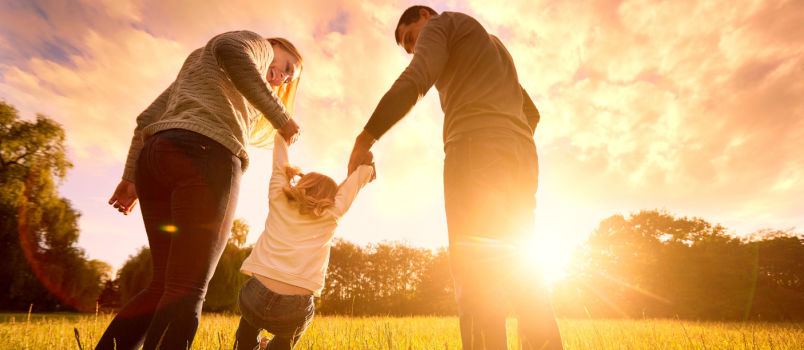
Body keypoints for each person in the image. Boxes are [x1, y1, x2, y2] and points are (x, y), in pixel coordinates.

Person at [347, 6, 563, 350]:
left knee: (475, 271)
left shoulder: (442, 24)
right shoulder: (490, 46)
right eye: (407, 46)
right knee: (521, 269)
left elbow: (416, 79)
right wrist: (507, 139)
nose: (413, 48)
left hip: (475, 150)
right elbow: (531, 112)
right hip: (521, 157)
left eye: (411, 38)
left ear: (423, 16)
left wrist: (366, 138)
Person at [99, 31, 303, 350]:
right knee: (186, 288)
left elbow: (147, 119)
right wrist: (281, 116)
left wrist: (131, 178)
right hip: (206, 157)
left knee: (163, 284)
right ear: (275, 46)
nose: (286, 77)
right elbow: (229, 47)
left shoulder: (199, 61)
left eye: (290, 78)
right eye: (289, 64)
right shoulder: (257, 46)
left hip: (155, 158)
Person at [234, 136, 375, 350]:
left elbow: (279, 163)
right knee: (285, 338)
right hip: (294, 307)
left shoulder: (279, 197)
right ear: (332, 197)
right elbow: (355, 184)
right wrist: (366, 167)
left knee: (248, 328)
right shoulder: (332, 213)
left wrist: (283, 136)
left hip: (254, 296)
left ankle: (247, 345)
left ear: (302, 184)